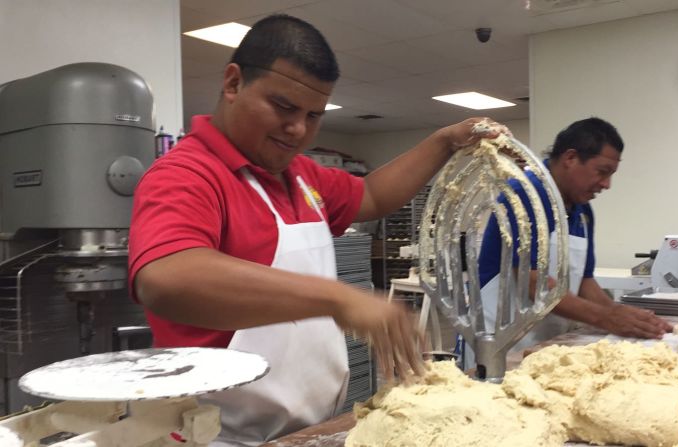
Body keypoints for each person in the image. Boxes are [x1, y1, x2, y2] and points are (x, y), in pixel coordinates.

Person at [128, 14, 508, 446]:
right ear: (233, 84)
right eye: (283, 108)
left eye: (314, 115)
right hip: (219, 436)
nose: (298, 130)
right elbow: (166, 277)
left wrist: (444, 141)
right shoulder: (187, 174)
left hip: (307, 430)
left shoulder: (301, 177)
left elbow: (371, 196)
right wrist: (335, 297)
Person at [477, 117, 672, 354]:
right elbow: (533, 284)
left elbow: (584, 282)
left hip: (545, 342)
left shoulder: (582, 212)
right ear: (570, 158)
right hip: (500, 340)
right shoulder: (526, 194)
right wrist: (607, 317)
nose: (607, 184)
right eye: (602, 172)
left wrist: (622, 315)